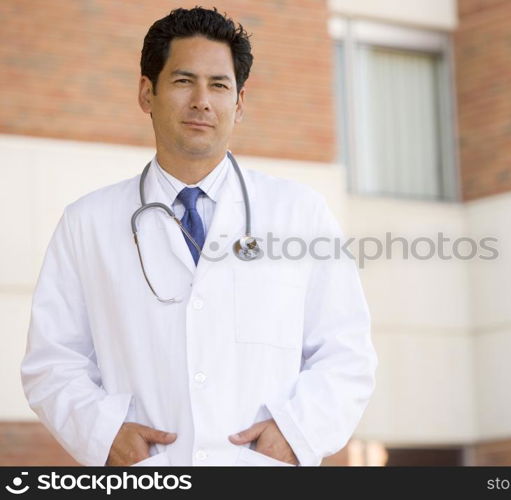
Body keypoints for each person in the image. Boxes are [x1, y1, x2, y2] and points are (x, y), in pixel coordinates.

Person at [20, 6, 377, 467]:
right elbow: (53, 360)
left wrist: (295, 433)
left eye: (220, 85)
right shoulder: (87, 222)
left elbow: (346, 352)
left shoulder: (300, 214)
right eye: (184, 81)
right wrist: (104, 434)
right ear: (147, 93)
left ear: (240, 102)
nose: (202, 101)